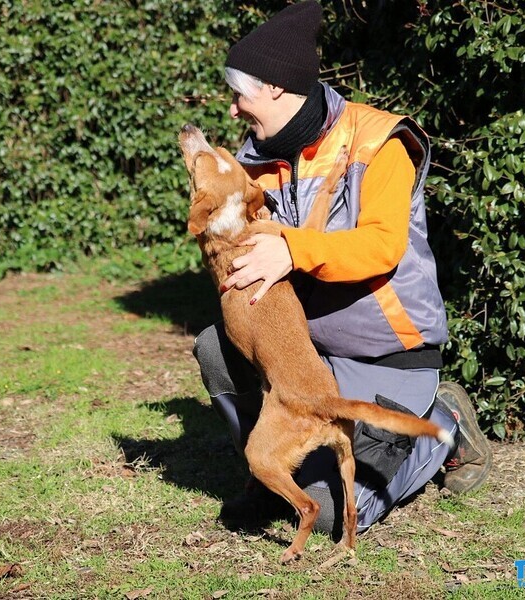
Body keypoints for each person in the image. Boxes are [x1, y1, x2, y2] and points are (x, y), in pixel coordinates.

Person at [193, 0, 492, 536]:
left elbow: (382, 247)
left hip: (387, 357)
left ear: (278, 89)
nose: (233, 110)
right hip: (309, 357)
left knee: (329, 514)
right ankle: (266, 471)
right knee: (216, 345)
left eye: (241, 94)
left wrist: (292, 249)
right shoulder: (254, 157)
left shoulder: (379, 142)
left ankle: (440, 423)